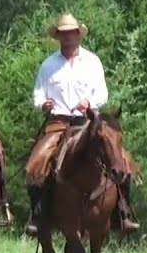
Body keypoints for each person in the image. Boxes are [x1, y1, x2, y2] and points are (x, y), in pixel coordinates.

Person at [23, 13, 140, 236]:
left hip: (88, 123)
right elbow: (37, 94)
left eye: (71, 33)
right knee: (34, 165)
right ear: (58, 37)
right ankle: (39, 215)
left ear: (78, 34)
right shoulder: (48, 65)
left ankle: (123, 212)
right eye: (63, 34)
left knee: (122, 160)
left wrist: (89, 102)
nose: (68, 37)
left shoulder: (92, 61)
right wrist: (43, 104)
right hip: (57, 124)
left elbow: (102, 92)